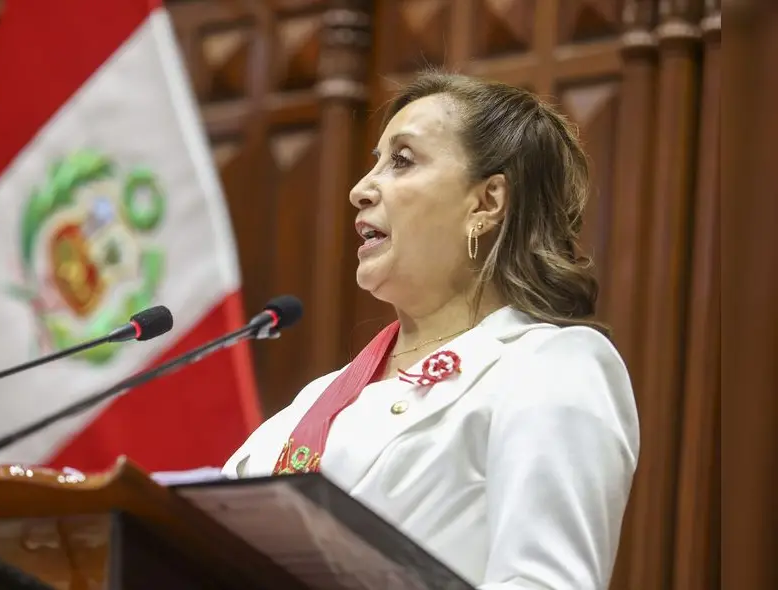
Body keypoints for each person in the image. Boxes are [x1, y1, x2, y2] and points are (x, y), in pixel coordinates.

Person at [221, 70, 640, 590]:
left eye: (402, 160)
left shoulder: (550, 365)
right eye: (375, 162)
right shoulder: (316, 399)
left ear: (486, 202)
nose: (359, 189)